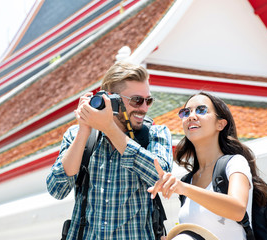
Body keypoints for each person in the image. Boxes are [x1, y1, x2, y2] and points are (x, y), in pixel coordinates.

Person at [46, 61, 173, 239]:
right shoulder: (77, 135)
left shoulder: (156, 133)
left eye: (148, 100)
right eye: (137, 100)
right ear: (111, 100)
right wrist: (84, 130)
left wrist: (110, 129)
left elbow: (162, 178)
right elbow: (56, 189)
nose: (144, 108)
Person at [148, 92, 267, 240]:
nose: (191, 116)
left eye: (201, 110)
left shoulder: (235, 163)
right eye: (186, 112)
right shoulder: (188, 180)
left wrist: (184, 188)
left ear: (220, 124)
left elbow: (237, 209)